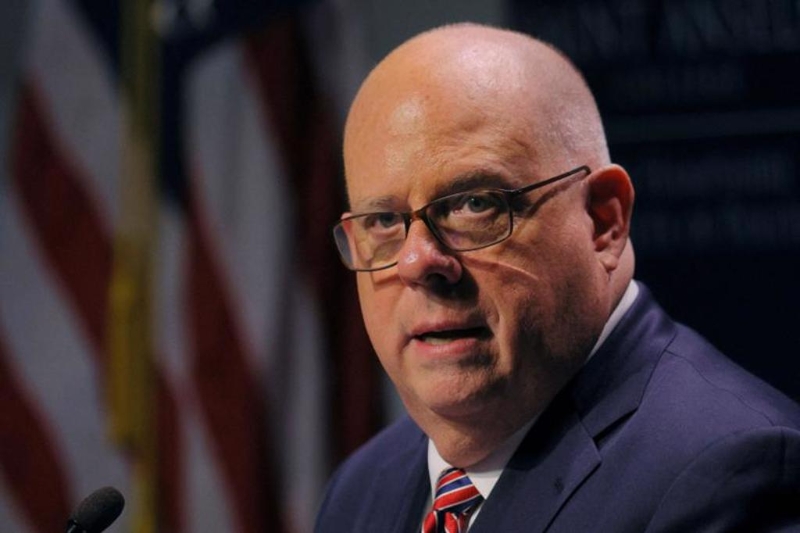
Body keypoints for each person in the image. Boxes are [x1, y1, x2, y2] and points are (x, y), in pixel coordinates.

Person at [315, 23, 800, 532]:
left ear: (603, 221)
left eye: (475, 204)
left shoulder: (732, 475)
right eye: (383, 221)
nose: (416, 262)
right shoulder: (362, 489)